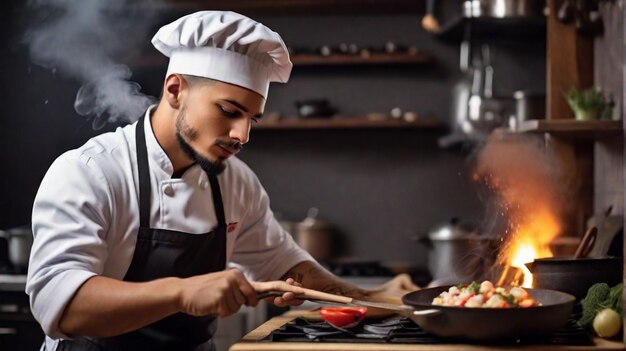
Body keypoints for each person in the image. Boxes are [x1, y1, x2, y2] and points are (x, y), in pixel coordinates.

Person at [26, 11, 418, 351]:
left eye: (252, 119)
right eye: (229, 111)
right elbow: (61, 306)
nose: (242, 135)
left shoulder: (234, 182)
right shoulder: (90, 172)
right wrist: (182, 292)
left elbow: (287, 267)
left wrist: (372, 298)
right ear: (175, 89)